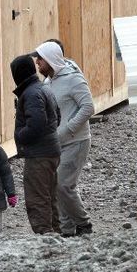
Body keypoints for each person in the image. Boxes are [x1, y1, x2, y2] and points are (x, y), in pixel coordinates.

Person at [33, 41, 95, 237]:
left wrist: (68, 129)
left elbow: (88, 107)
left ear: (50, 60)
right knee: (56, 186)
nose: (37, 63)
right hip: (56, 144)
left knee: (63, 185)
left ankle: (84, 224)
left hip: (76, 141)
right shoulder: (47, 82)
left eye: (40, 59)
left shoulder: (73, 79)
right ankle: (67, 230)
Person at [10, 54, 61, 234]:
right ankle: (55, 233)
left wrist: (19, 135)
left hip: (39, 155)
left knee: (37, 198)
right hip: (51, 151)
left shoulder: (31, 93)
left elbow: (36, 124)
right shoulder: (43, 88)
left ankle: (45, 237)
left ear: (17, 74)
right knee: (50, 196)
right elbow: (57, 117)